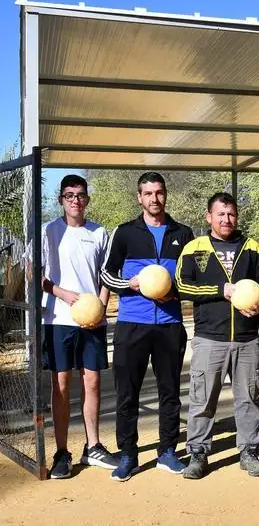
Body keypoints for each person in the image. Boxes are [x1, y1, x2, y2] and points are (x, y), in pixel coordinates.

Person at [100, 172, 194, 481]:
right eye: (148, 193)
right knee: (127, 394)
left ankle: (167, 451)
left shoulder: (183, 232)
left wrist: (173, 292)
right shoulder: (125, 232)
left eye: (159, 192)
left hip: (170, 325)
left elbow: (191, 278)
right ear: (139, 197)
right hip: (132, 325)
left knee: (170, 393)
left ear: (166, 194)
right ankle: (128, 455)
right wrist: (130, 284)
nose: (155, 198)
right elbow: (106, 274)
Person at [176, 192, 259, 479]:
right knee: (203, 399)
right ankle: (198, 453)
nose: (226, 219)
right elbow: (182, 285)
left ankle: (249, 452)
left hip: (247, 338)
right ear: (209, 217)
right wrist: (221, 290)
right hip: (209, 338)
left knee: (249, 399)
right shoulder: (194, 248)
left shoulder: (252, 247)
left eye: (231, 214)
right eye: (220, 214)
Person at [40, 175, 119, 479]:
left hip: (92, 321)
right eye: (69, 195)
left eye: (81, 195)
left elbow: (106, 276)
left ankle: (93, 446)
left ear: (87, 199)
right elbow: (34, 273)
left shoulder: (98, 232)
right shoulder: (48, 231)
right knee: (61, 385)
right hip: (58, 319)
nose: (75, 200)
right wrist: (61, 293)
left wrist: (100, 308)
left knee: (93, 382)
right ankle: (62, 452)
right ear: (61, 199)